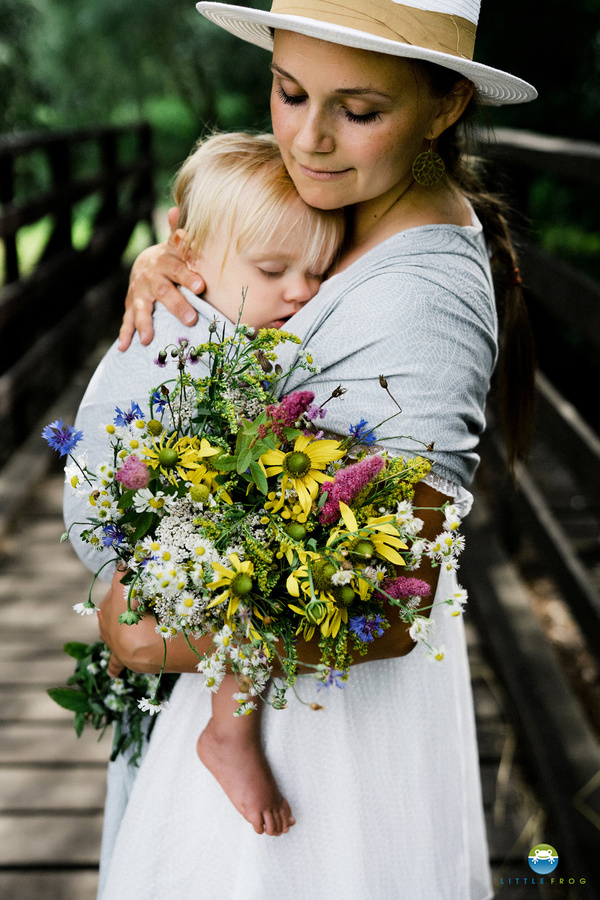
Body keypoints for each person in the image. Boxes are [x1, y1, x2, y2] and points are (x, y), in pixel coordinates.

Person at [87, 1, 537, 897]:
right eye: (289, 93)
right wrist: (175, 269)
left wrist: (144, 632)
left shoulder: (424, 298)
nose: (308, 139)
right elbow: (236, 248)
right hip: (264, 697)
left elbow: (395, 601)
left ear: (447, 106)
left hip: (320, 754)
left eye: (359, 111)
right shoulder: (343, 196)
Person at [63, 130, 344, 880]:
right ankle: (229, 732)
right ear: (187, 260)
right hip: (136, 520)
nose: (301, 292)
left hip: (145, 517)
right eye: (275, 270)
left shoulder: (218, 304)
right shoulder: (190, 333)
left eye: (319, 272)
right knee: (255, 572)